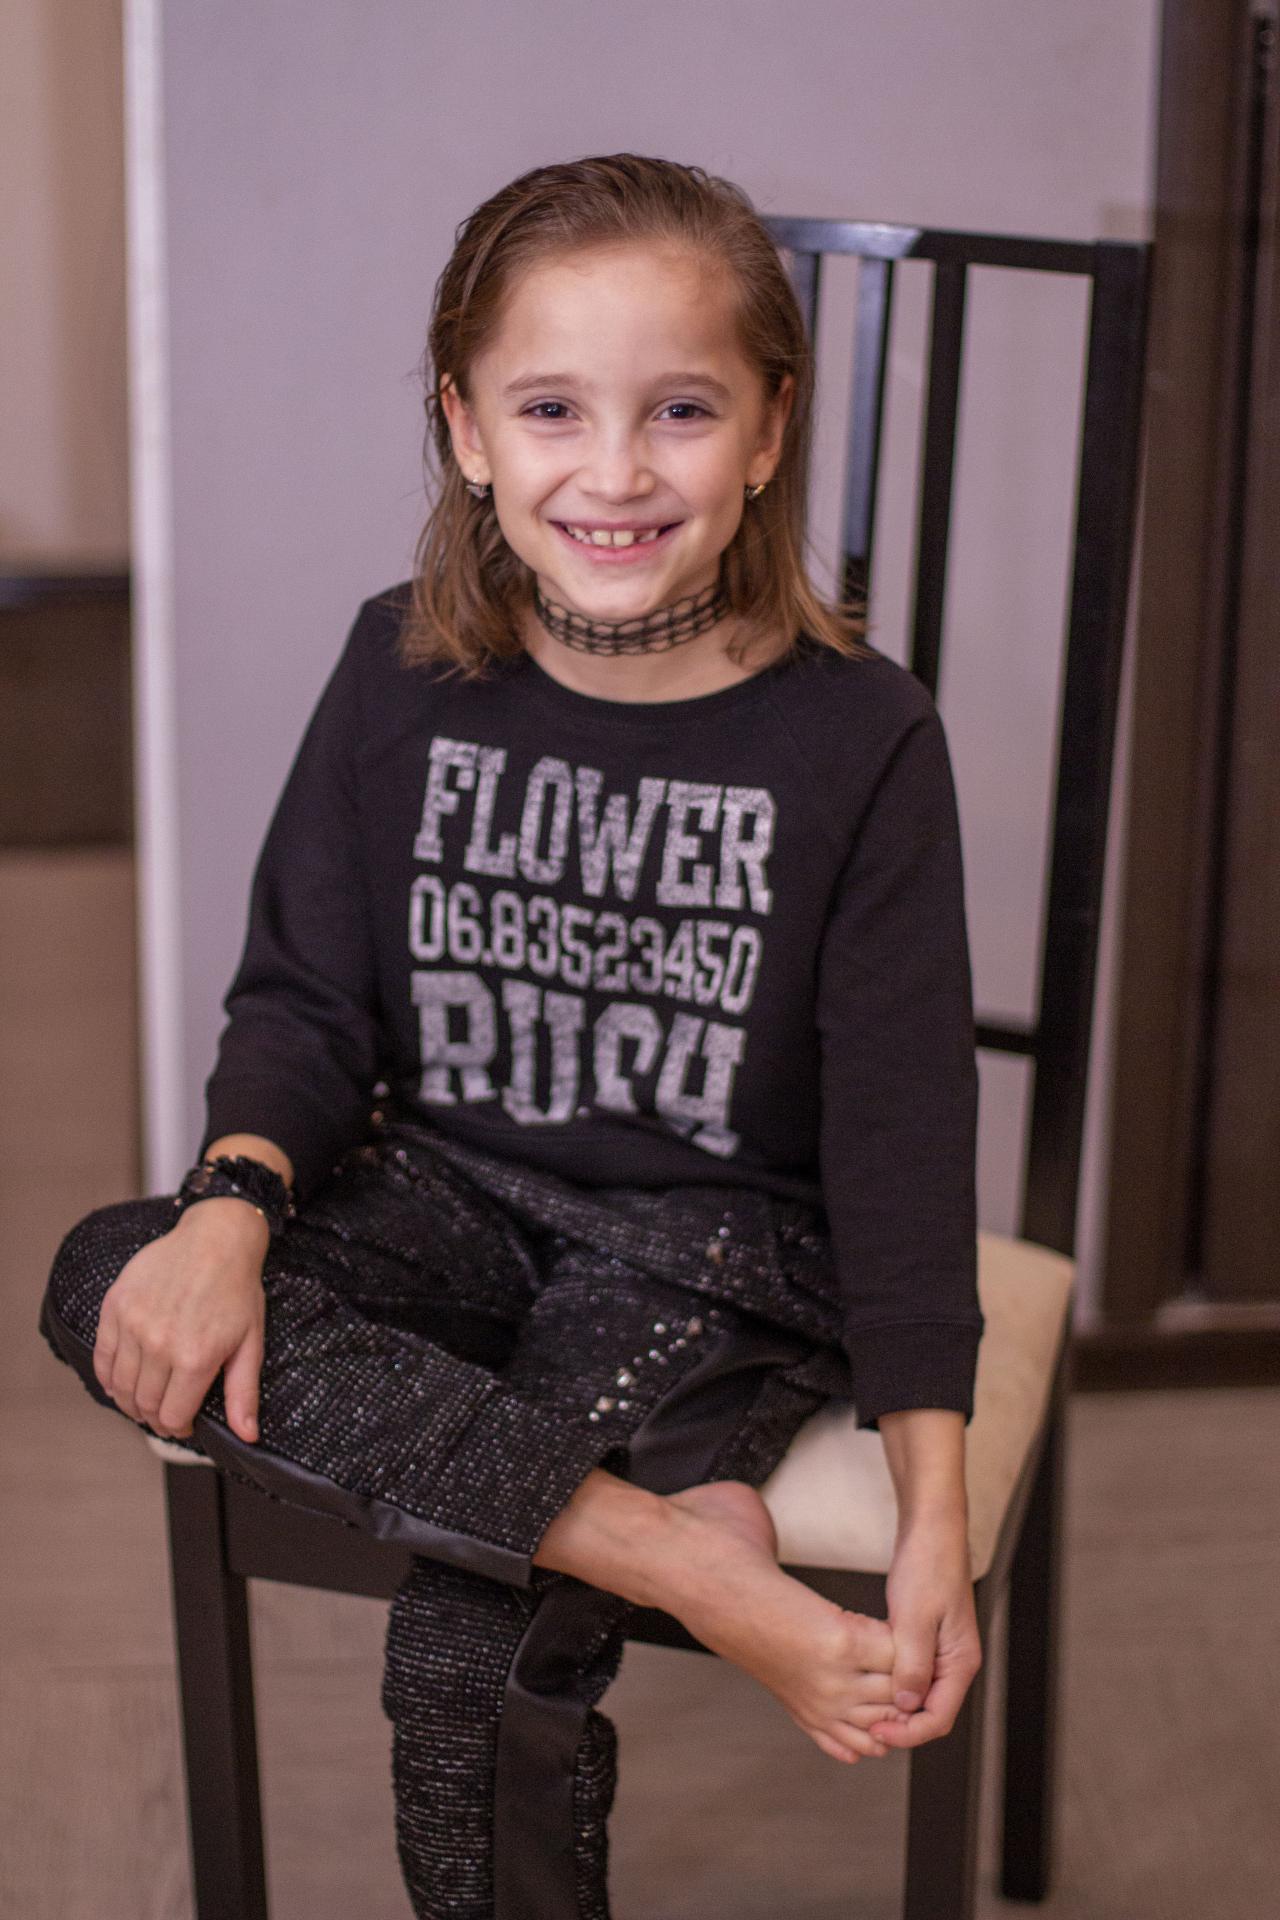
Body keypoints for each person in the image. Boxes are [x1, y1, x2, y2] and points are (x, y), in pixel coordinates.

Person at [39, 152, 984, 1920]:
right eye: (551, 408)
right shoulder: (396, 669)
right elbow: (306, 1003)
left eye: (681, 409)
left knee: (463, 1652)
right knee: (113, 1269)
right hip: (449, 1190)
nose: (613, 473)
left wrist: (935, 1511)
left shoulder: (862, 740)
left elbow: (906, 1142)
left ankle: (623, 1518)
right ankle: (679, 1555)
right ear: (466, 429)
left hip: (714, 1257)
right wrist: (229, 1214)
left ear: (769, 431)